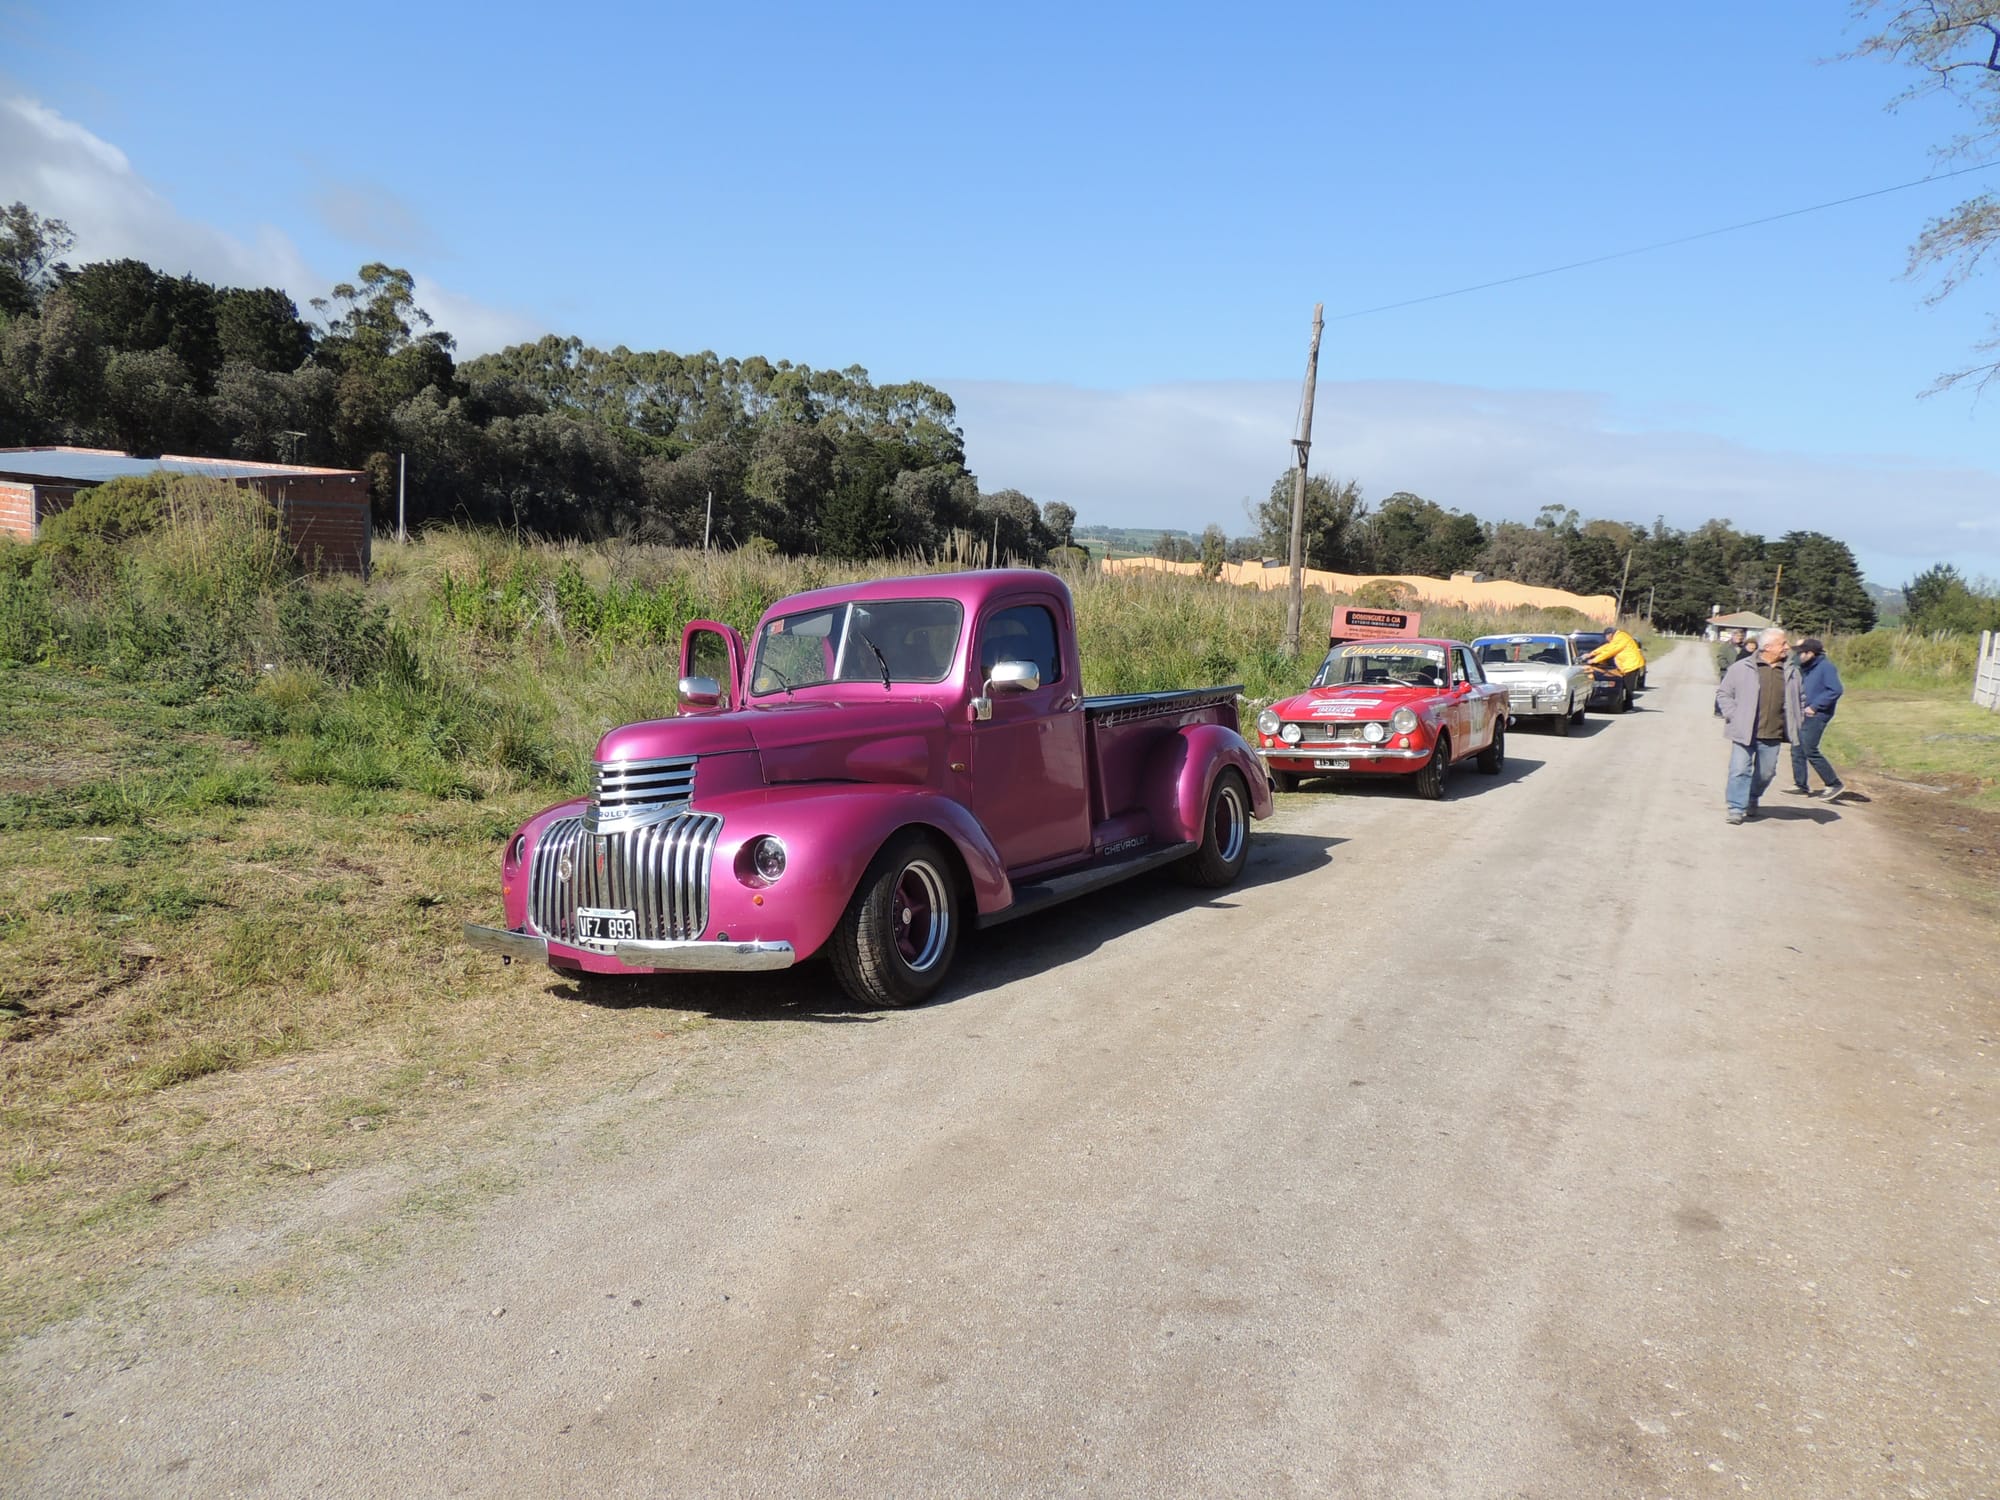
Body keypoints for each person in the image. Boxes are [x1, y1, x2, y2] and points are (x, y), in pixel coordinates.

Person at [1714, 626, 1801, 825]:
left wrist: (1798, 718)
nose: (1787, 647)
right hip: (1745, 730)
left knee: (1766, 773)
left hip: (1773, 732)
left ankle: (1752, 797)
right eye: (1783, 643)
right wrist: (1734, 716)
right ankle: (1736, 807)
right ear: (1768, 647)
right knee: (1739, 770)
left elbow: (1800, 698)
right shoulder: (1741, 667)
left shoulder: (1791, 671)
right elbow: (1723, 694)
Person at [1782, 636, 1849, 802]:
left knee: (1809, 749)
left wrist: (1816, 706)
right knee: (1797, 746)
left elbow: (1836, 690)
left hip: (1817, 714)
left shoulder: (1826, 667)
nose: (1797, 655)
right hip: (1802, 712)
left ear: (1810, 653)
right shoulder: (1804, 666)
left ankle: (1833, 783)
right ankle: (1800, 784)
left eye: (1801, 652)